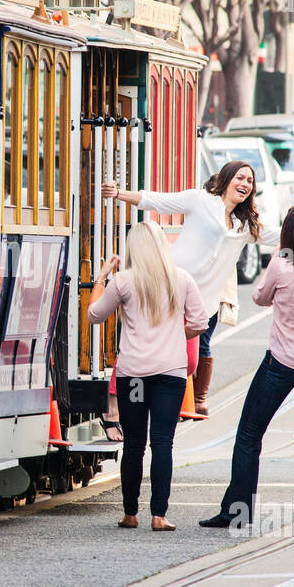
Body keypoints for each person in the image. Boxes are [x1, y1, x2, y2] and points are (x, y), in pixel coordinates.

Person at [103, 161, 294, 418]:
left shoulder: (245, 226)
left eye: (250, 182)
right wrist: (119, 194)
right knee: (140, 346)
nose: (245, 184)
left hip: (200, 303)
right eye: (240, 178)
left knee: (189, 362)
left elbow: (281, 234)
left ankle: (151, 403)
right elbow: (158, 201)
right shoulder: (200, 201)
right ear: (227, 179)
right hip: (168, 288)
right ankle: (115, 408)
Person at [199, 206, 294, 531]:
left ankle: (237, 511)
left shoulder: (280, 264)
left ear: (287, 235)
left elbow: (260, 298)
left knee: (249, 434)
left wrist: (279, 266)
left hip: (282, 362)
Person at [88, 221, 210, 531]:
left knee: (134, 445)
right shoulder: (181, 279)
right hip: (170, 375)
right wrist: (172, 335)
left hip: (134, 377)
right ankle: (159, 515)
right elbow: (199, 322)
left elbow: (94, 315)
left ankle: (130, 514)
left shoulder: (123, 281)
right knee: (163, 443)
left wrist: (101, 277)